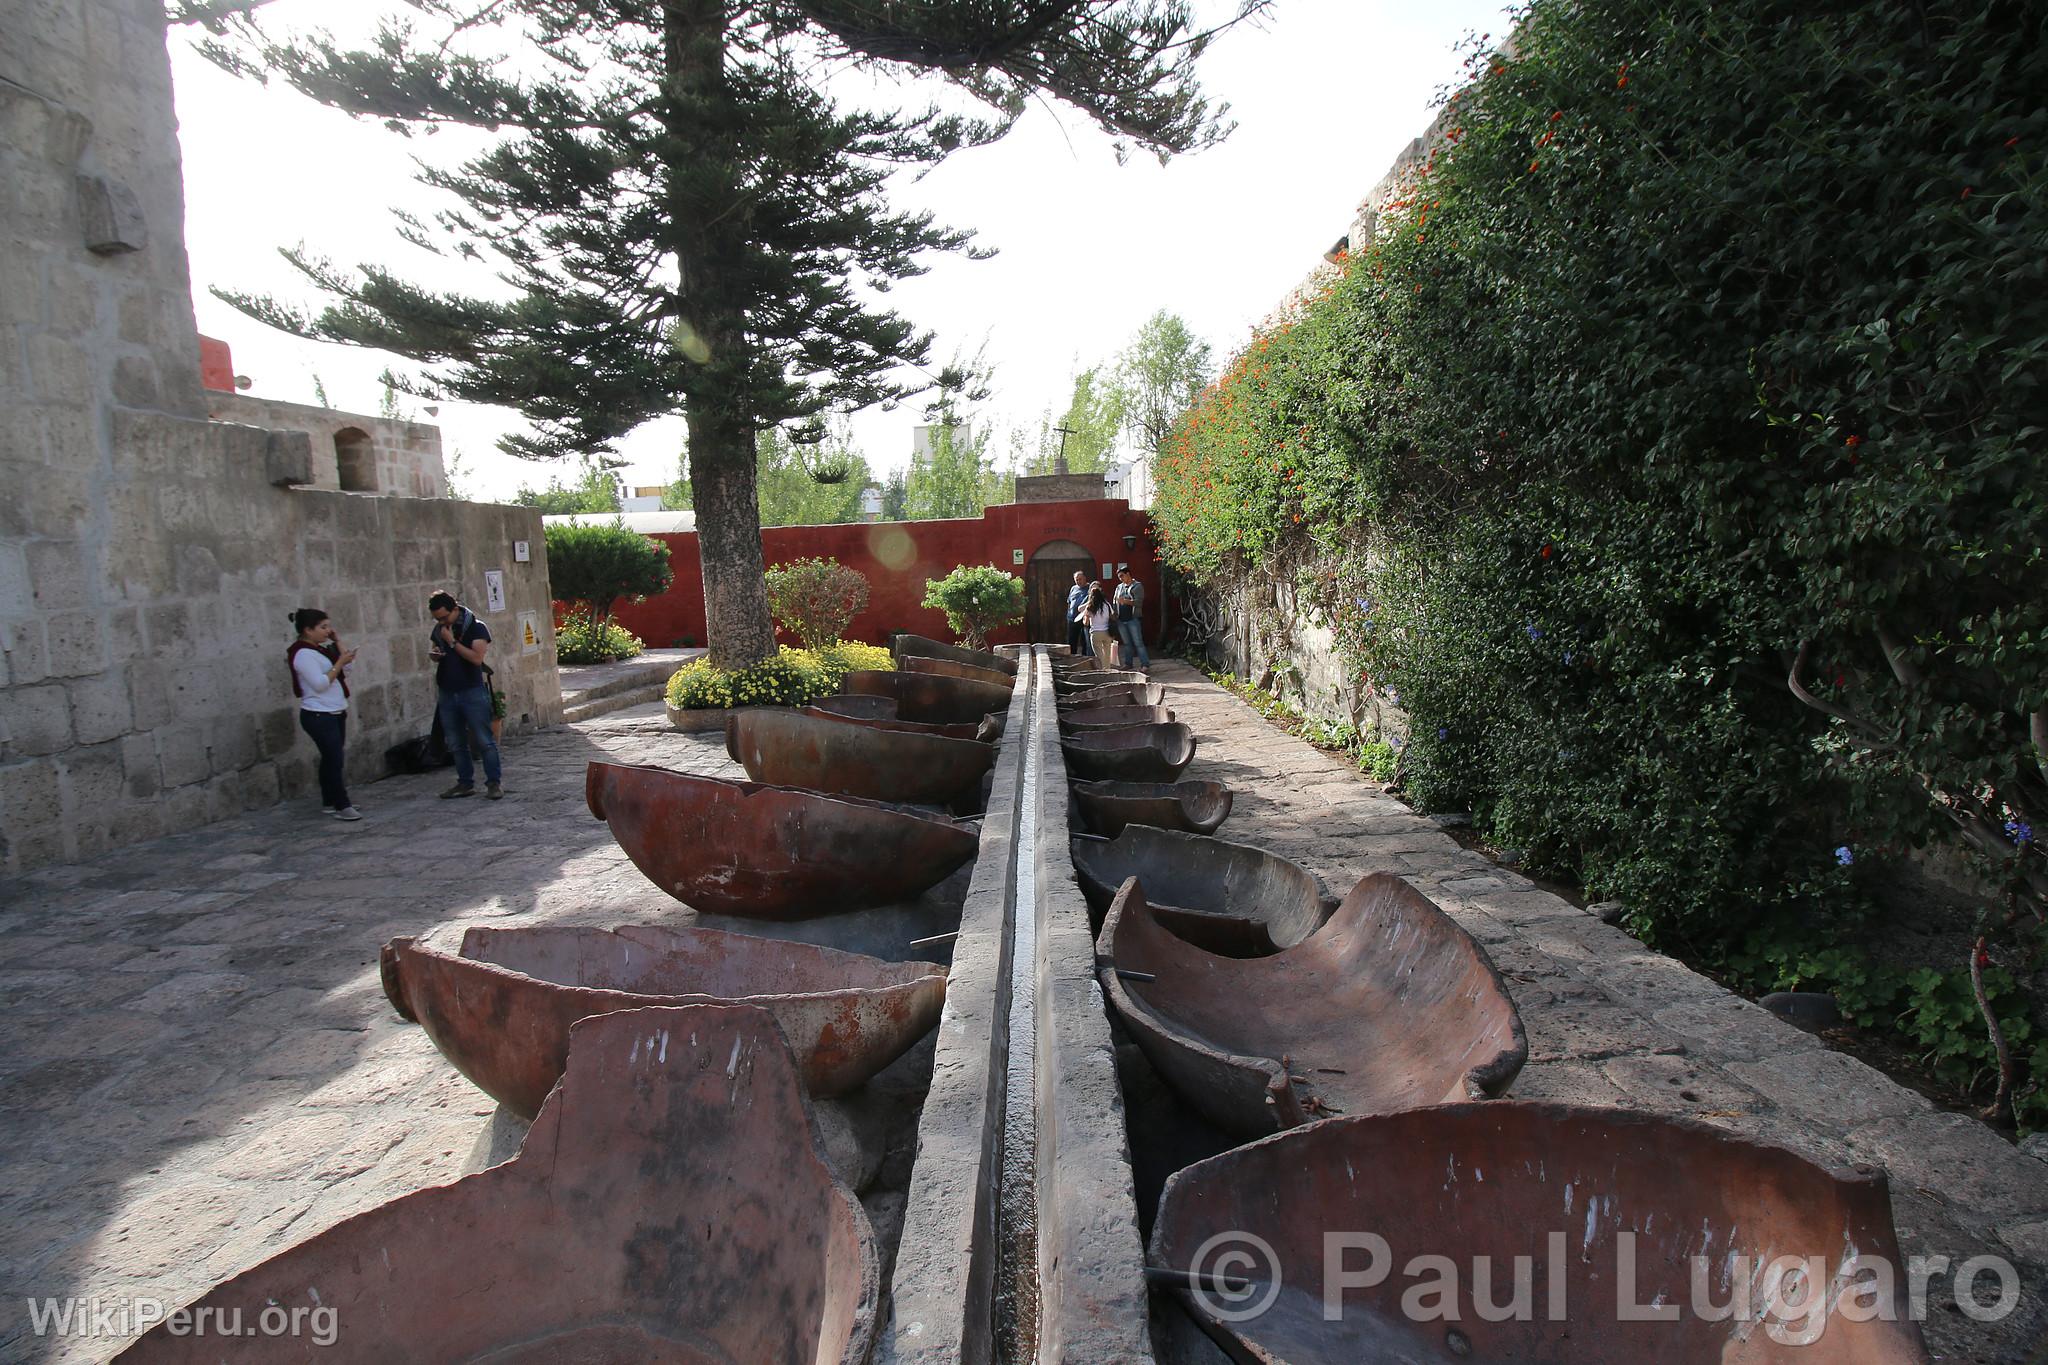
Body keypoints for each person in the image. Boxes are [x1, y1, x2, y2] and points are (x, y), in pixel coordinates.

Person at [286, 608, 362, 821]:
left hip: (335, 710)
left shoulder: (322, 650)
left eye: (329, 626)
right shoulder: (302, 654)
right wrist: (339, 663)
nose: (328, 631)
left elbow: (347, 671)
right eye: (323, 627)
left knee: (331, 759)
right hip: (319, 714)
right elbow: (319, 684)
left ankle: (329, 800)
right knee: (334, 760)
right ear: (308, 630)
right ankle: (342, 804)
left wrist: (339, 646)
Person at [427, 590, 503, 799]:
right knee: (455, 742)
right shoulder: (440, 630)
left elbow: (477, 658)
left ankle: (494, 783)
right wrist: (436, 654)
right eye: (437, 619)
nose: (441, 622)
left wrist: (452, 642)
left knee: (484, 740)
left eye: (444, 617)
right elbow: (437, 649)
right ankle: (464, 783)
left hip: (472, 690)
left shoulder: (476, 628)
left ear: (455, 609)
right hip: (448, 691)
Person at [1113, 566, 1150, 671]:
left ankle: (1145, 664)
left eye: (1122, 576)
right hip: (1121, 619)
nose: (1120, 578)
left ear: (1128, 574)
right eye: (1119, 577)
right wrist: (1114, 612)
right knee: (1127, 643)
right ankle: (1128, 663)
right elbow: (1115, 601)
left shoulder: (1137, 586)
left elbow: (1139, 602)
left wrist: (1126, 601)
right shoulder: (1119, 587)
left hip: (1133, 618)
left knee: (1138, 642)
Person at [1081, 582, 1117, 667]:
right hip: (1107, 632)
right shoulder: (1107, 604)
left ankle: (1102, 671)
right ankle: (1108, 670)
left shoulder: (1090, 606)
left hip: (1095, 633)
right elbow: (1112, 615)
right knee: (1107, 654)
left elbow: (1086, 623)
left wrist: (1085, 618)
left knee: (1099, 655)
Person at [1065, 570, 1091, 658]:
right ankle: (1072, 658)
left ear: (1084, 578)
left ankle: (1085, 659)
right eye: (1076, 579)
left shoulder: (1090, 588)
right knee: (1072, 640)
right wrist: (1069, 613)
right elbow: (1069, 601)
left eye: (1080, 579)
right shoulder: (1073, 588)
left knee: (1085, 641)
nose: (1078, 581)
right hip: (1072, 619)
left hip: (1084, 618)